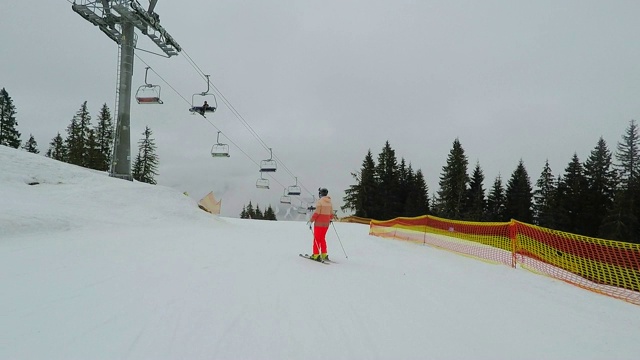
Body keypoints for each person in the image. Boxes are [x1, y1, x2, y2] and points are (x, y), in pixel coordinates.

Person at [307, 187, 334, 261]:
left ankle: (316, 255)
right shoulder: (330, 202)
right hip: (326, 224)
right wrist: (330, 219)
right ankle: (324, 254)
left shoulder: (320, 202)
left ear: (320, 194)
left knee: (316, 239)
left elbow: (317, 213)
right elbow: (331, 214)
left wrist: (311, 220)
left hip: (319, 224)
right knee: (322, 238)